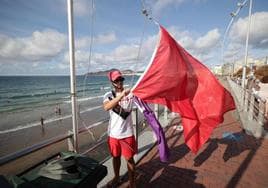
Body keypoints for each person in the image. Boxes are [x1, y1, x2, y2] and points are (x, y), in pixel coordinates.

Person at [103, 69, 136, 188]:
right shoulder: (108, 95)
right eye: (116, 80)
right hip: (113, 134)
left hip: (127, 134)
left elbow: (144, 97)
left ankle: (133, 183)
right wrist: (121, 96)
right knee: (115, 157)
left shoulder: (131, 94)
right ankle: (116, 178)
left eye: (121, 79)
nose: (119, 82)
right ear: (112, 82)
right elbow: (107, 107)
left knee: (130, 159)